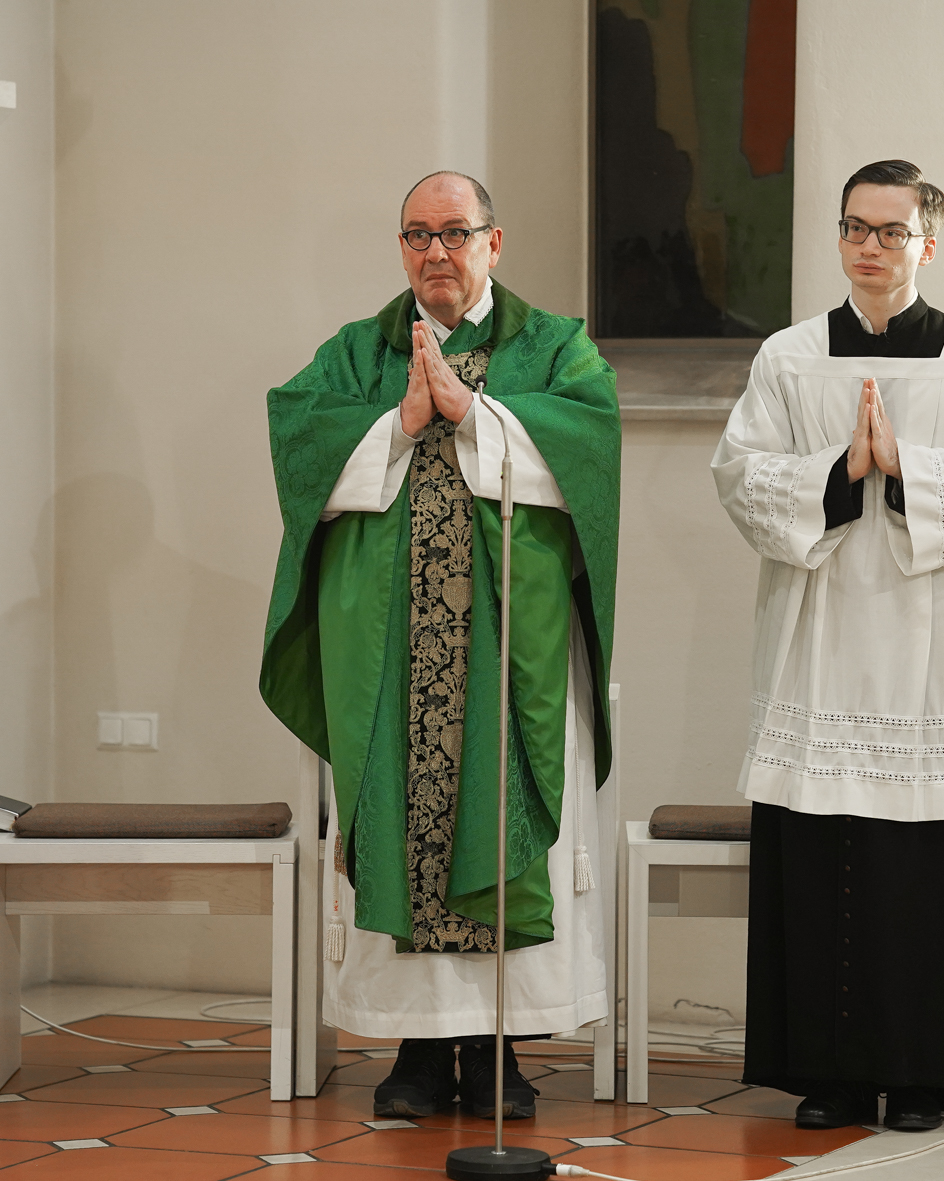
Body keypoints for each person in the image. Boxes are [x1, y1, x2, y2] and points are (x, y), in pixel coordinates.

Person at [261, 172, 620, 1118]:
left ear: (493, 243)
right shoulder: (358, 352)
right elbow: (299, 441)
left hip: (510, 647)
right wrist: (399, 422)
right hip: (390, 651)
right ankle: (417, 1052)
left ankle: (500, 1050)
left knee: (500, 821)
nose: (435, 253)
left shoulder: (555, 346)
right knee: (395, 818)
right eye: (417, 235)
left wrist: (476, 414)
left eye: (454, 233)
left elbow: (591, 449)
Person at [712, 160, 944, 1132]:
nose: (869, 245)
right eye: (854, 227)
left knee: (920, 867)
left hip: (933, 645)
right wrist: (838, 470)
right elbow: (740, 477)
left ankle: (922, 1076)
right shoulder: (788, 357)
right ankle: (829, 1074)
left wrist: (905, 470)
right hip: (818, 639)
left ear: (925, 244)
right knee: (820, 855)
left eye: (891, 231)